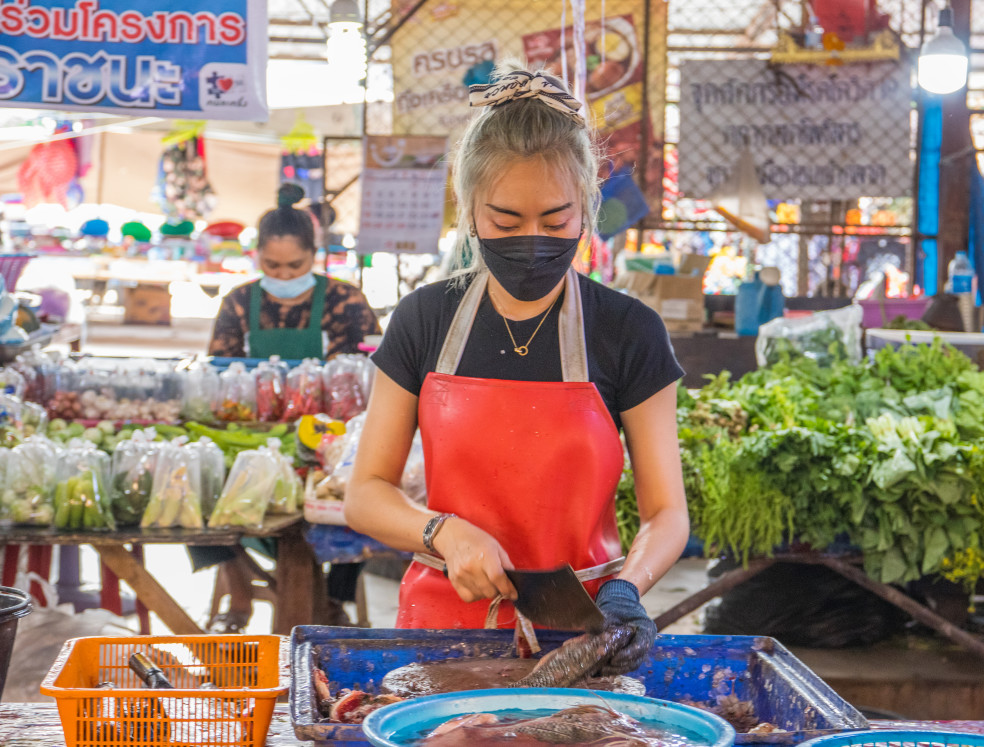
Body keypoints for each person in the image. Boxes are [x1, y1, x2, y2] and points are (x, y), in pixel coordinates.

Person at [344, 64, 689, 673]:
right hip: (442, 631)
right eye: (505, 222)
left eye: (556, 221)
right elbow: (366, 495)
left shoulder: (628, 331)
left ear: (587, 207)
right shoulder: (426, 318)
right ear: (470, 211)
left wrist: (627, 587)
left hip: (582, 634)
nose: (533, 239)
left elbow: (667, 513)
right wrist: (442, 534)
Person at [197, 184, 382, 632]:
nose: (282, 275)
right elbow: (220, 373)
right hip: (254, 434)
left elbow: (370, 374)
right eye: (272, 265)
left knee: (359, 493)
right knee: (193, 480)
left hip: (329, 440)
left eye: (294, 266)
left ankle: (334, 600)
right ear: (257, 256)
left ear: (315, 256)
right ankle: (237, 585)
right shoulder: (239, 303)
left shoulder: (345, 301)